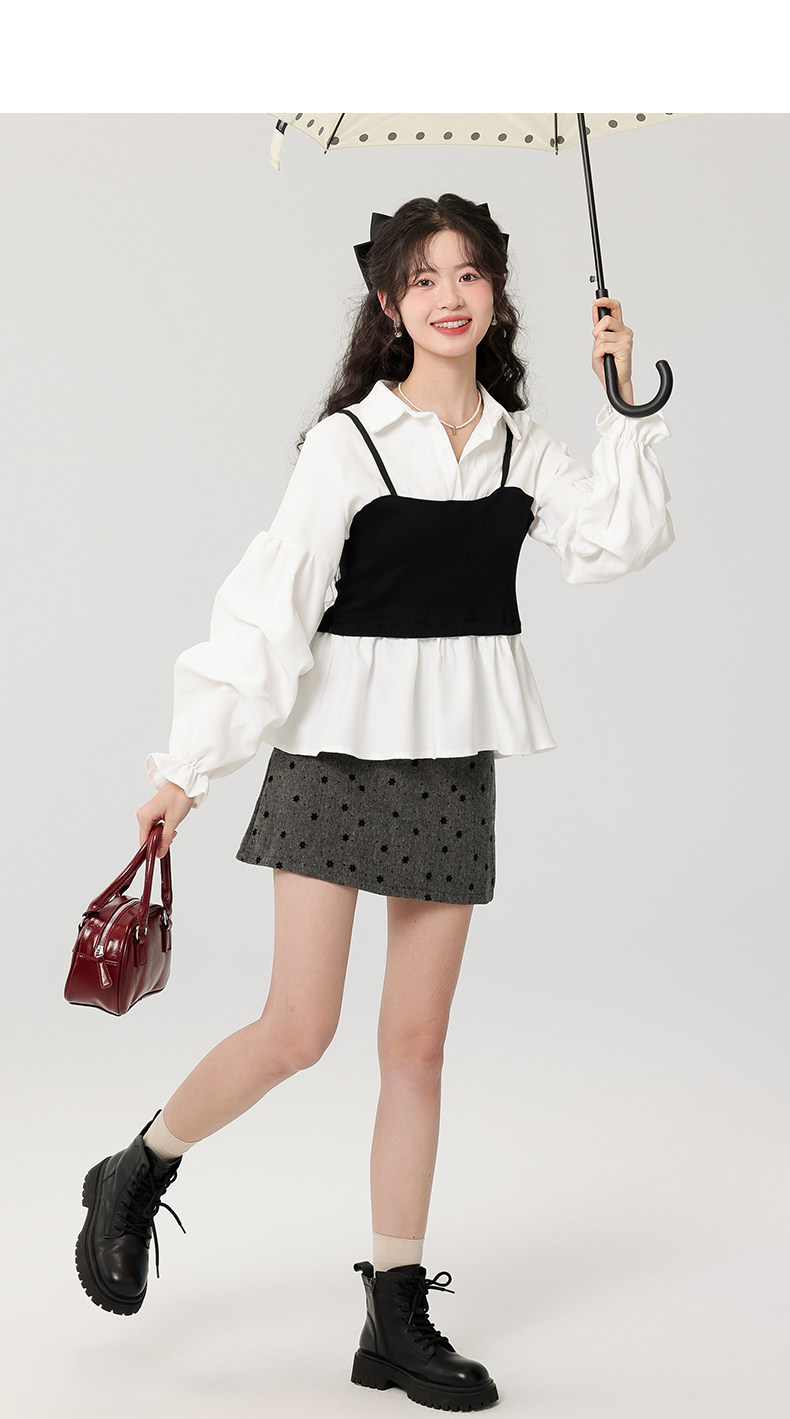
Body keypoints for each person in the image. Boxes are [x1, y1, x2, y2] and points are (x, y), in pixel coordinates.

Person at [75, 193, 674, 1413]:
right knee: (298, 1029)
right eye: (424, 278)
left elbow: (618, 540)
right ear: (390, 304)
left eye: (469, 274)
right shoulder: (348, 444)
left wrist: (625, 405)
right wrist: (187, 767)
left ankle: (394, 1315)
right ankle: (135, 1169)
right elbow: (270, 608)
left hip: (451, 760)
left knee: (416, 1048)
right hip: (335, 758)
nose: (450, 296)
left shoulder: (515, 444)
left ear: (496, 293)